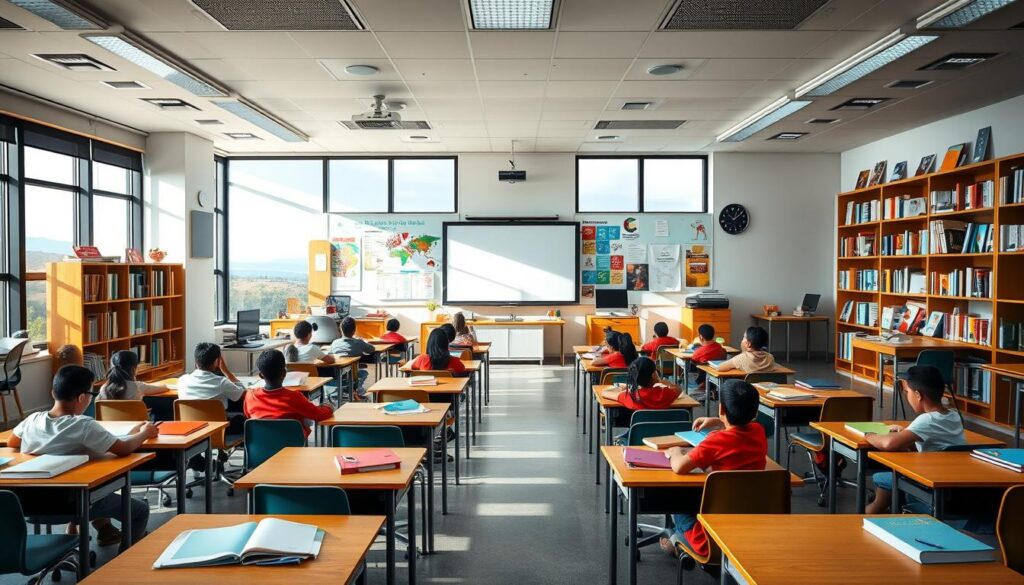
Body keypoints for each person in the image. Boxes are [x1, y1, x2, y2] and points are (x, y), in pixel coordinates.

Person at [8, 365, 157, 547]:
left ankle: (101, 530)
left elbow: (12, 442)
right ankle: (122, 563)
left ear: (54, 392)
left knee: (91, 486)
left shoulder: (33, 419)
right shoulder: (83, 425)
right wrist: (144, 433)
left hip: (29, 506)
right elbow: (124, 448)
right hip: (72, 505)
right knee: (139, 509)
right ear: (82, 397)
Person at [661, 379, 767, 559]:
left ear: (721, 409)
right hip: (748, 531)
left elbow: (679, 467)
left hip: (709, 540)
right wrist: (719, 421)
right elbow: (741, 427)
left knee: (677, 501)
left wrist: (675, 451)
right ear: (755, 412)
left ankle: (676, 540)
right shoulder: (759, 431)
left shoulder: (716, 441)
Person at [864, 365, 965, 514]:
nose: (907, 396)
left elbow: (889, 443)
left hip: (928, 482)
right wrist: (906, 432)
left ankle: (870, 513)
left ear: (918, 395)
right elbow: (935, 437)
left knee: (881, 478)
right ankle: (878, 510)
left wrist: (869, 435)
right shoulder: (954, 415)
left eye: (907, 392)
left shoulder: (927, 420)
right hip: (950, 481)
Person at [244, 350, 333, 438]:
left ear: (261, 375)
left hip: (260, 448)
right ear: (284, 373)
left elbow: (248, 415)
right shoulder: (294, 397)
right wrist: (328, 407)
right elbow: (319, 415)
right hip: (292, 449)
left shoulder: (250, 396)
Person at [177, 342, 247, 433]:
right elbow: (244, 394)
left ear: (196, 362)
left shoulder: (182, 380)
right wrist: (226, 371)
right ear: (217, 361)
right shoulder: (221, 382)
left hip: (191, 431)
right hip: (218, 430)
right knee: (243, 420)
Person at [601, 356, 680, 410]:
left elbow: (604, 393)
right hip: (665, 433)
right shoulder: (666, 393)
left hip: (639, 434)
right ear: (653, 375)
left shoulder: (631, 397)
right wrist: (666, 383)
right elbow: (678, 389)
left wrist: (625, 390)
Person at [329, 316, 375, 396]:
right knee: (364, 373)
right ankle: (356, 389)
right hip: (351, 374)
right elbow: (371, 349)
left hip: (334, 374)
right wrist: (364, 341)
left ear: (341, 329)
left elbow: (330, 353)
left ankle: (346, 389)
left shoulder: (334, 343)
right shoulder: (358, 343)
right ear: (354, 330)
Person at [98, 350, 168, 400]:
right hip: (136, 421)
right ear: (133, 369)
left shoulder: (104, 388)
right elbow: (164, 387)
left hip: (109, 421)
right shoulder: (137, 386)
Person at [685, 324, 728, 396]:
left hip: (704, 377)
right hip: (718, 373)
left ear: (700, 337)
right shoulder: (720, 347)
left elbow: (693, 360)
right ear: (713, 336)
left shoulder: (699, 351)